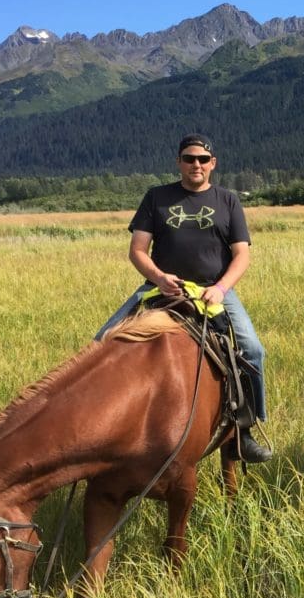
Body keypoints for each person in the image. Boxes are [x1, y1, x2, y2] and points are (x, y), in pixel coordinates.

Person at [96, 133, 272, 462]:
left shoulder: (228, 200)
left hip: (214, 290)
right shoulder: (157, 197)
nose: (196, 165)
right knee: (101, 341)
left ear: (213, 164)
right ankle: (99, 427)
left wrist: (220, 288)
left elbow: (241, 255)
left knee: (252, 349)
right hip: (162, 286)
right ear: (178, 162)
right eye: (189, 159)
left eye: (203, 159)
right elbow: (137, 251)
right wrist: (160, 278)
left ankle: (245, 431)